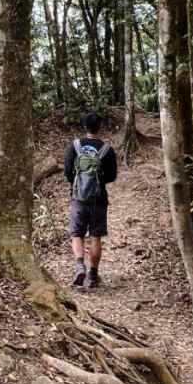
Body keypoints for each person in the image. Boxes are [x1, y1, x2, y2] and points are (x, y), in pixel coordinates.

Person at [64, 112, 118, 288]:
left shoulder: (75, 146)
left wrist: (79, 184)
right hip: (99, 199)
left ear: (84, 126)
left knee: (76, 233)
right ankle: (93, 274)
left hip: (78, 198)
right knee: (95, 236)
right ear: (99, 127)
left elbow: (67, 172)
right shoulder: (106, 150)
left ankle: (79, 266)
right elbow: (112, 176)